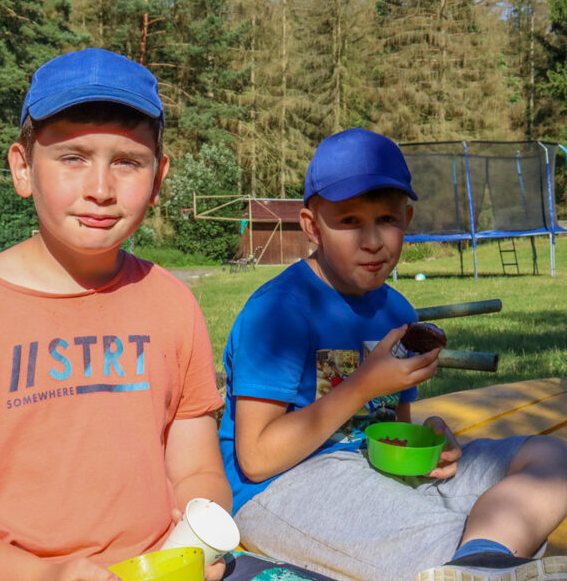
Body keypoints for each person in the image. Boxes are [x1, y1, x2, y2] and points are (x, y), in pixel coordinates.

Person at [218, 128, 567, 581]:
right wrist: (364, 383)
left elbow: (389, 424)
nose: (372, 240)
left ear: (408, 218)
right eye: (349, 221)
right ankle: (479, 556)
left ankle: (482, 557)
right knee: (447, 538)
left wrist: (426, 444)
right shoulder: (279, 312)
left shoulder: (397, 312)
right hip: (283, 485)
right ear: (311, 226)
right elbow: (256, 459)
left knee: (550, 459)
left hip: (377, 467)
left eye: (387, 219)